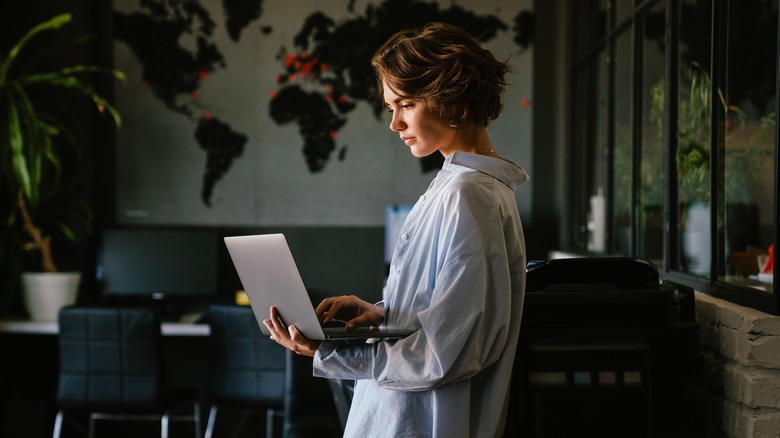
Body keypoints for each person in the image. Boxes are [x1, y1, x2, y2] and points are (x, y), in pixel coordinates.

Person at [264, 21, 529, 438]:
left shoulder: (470, 195)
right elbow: (452, 312)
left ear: (451, 97)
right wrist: (385, 313)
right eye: (392, 108)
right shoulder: (458, 187)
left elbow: (447, 352)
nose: (395, 125)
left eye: (405, 104)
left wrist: (326, 352)